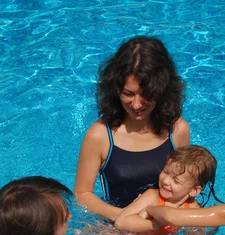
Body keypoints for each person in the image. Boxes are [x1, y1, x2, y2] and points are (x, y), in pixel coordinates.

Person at [74, 36, 190, 221]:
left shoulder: (177, 130)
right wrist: (126, 217)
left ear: (162, 90)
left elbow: (185, 183)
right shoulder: (100, 135)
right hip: (114, 226)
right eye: (128, 94)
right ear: (115, 91)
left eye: (147, 95)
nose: (136, 105)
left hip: (161, 223)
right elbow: (82, 194)